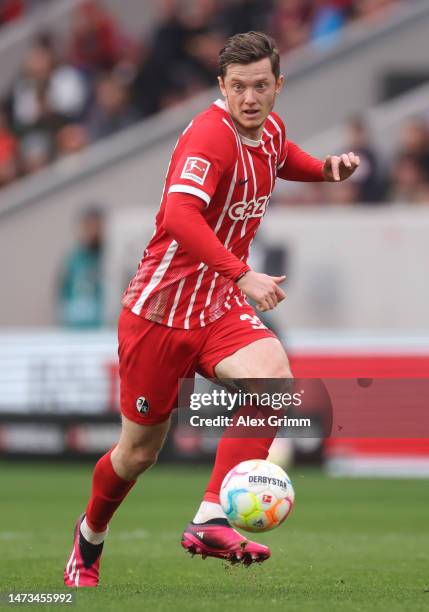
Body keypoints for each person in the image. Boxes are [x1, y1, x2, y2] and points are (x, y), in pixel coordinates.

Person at [64, 31, 359, 587]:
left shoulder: (269, 128)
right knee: (136, 454)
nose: (251, 98)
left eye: (262, 86)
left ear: (278, 85)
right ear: (222, 87)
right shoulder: (208, 138)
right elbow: (178, 217)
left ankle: (209, 517)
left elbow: (280, 155)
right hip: (159, 313)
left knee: (273, 376)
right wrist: (243, 273)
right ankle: (90, 536)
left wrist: (322, 170)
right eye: (239, 87)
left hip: (216, 309)